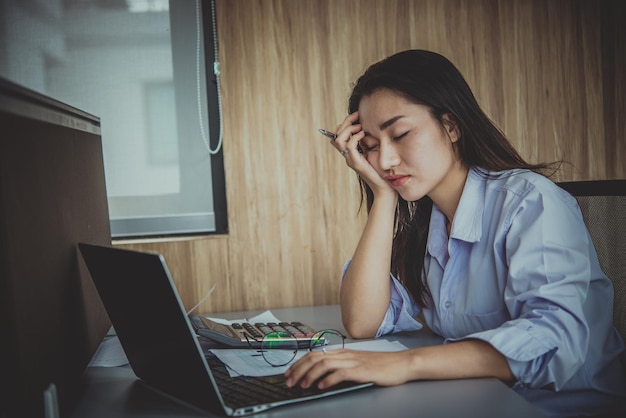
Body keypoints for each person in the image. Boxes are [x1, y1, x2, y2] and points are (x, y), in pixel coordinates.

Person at [284, 50, 626, 417]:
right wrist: (383, 196)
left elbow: (553, 339)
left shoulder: (530, 202)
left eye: (399, 134)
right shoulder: (425, 223)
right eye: (369, 148)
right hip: (479, 400)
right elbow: (363, 323)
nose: (384, 161)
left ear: (451, 126)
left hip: (564, 406)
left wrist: (405, 365)